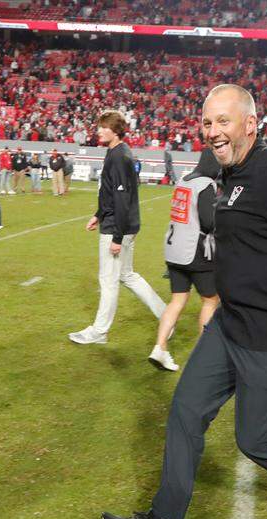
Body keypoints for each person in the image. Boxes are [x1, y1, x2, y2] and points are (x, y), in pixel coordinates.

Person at [101, 85, 267, 519]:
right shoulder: (226, 172)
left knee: (255, 439)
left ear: (250, 124)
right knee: (184, 413)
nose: (213, 131)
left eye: (223, 121)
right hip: (231, 324)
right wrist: (215, 303)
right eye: (207, 123)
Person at [69, 110, 166, 345]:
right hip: (119, 224)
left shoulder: (120, 156)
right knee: (127, 275)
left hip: (118, 228)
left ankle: (99, 331)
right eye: (100, 126)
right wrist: (98, 214)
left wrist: (116, 236)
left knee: (109, 280)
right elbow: (111, 194)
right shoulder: (114, 152)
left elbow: (122, 200)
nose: (99, 130)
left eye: (104, 127)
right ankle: (166, 315)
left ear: (116, 130)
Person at [149, 148, 220, 372]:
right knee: (210, 300)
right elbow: (208, 223)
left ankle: (160, 347)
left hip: (173, 249)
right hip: (194, 250)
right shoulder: (206, 184)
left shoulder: (184, 179)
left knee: (177, 300)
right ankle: (202, 357)